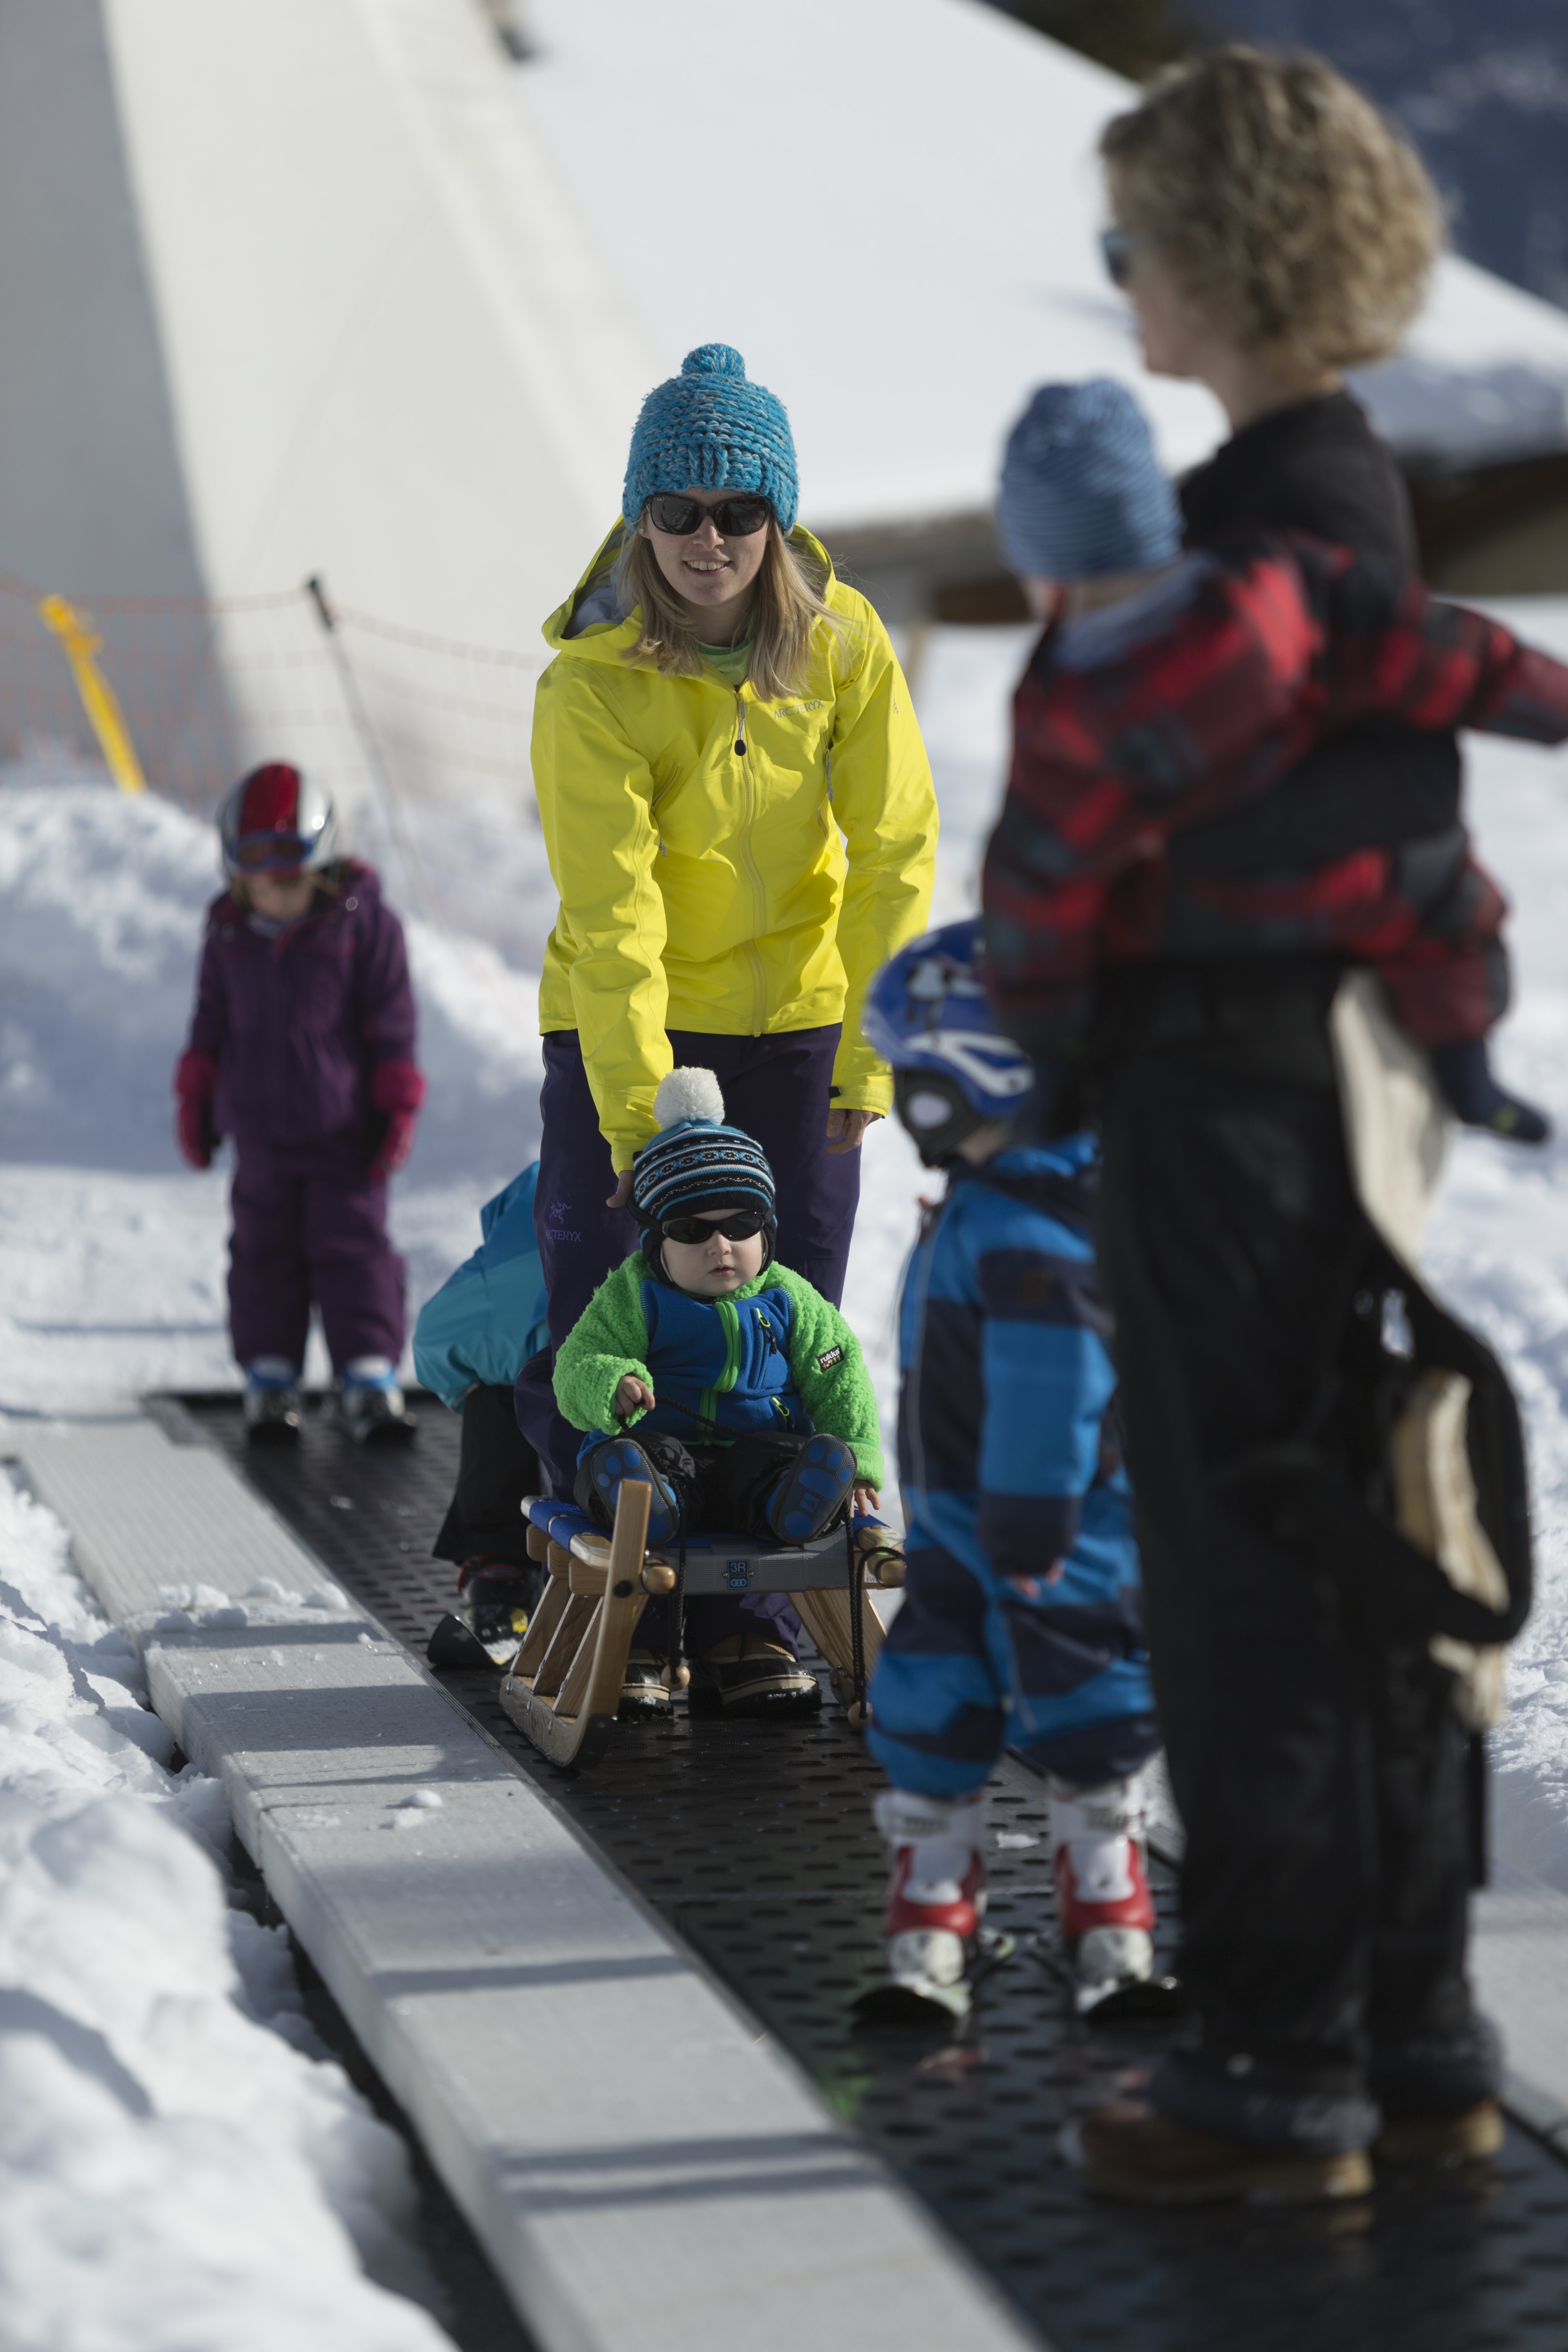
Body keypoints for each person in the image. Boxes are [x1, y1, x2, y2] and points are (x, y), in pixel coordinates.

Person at [985, 49, 1544, 2205]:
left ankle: (1270, 2062)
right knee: (1342, 1528)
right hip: (1318, 1069)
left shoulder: (1263, 531)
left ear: (1214, 252)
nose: (1112, 281)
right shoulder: (1328, 492)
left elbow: (1162, 814)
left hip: (1228, 1082)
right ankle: (1403, 2035)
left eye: (1129, 242)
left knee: (1242, 1558)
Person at [523, 343, 936, 1492]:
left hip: (798, 1030)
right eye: (679, 509)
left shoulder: (840, 640)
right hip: (634, 1035)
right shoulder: (593, 682)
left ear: (779, 518)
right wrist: (632, 1124)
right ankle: (615, 1603)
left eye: (740, 511)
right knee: (611, 1327)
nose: (710, 540)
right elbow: (614, 916)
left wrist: (868, 1058)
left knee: (786, 1333)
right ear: (640, 521)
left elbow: (893, 850)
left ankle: (764, 1618)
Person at [982, 378, 1568, 1130]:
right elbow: (1455, 658)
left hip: (1194, 920)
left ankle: (1060, 1100)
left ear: (1043, 571)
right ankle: (1468, 1073)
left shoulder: (1061, 719)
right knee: (1444, 892)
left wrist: (1048, 1043)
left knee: (1095, 919)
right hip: (1358, 890)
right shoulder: (1284, 587)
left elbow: (1033, 888)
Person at [856, 919, 1160, 2024]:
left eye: (908, 1069)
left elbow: (1050, 1389)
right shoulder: (998, 1204)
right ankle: (935, 1912)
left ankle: (1104, 1910)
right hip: (956, 1532)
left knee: (1086, 1709)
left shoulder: (1034, 1226)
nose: (900, 1093)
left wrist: (1030, 1530)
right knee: (931, 1707)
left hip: (1048, 1540)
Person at [551, 1068, 884, 1719]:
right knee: (636, 1464)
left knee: (780, 1460)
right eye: (693, 1230)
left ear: (768, 1230)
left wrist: (856, 1459)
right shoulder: (635, 1292)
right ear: (656, 1240)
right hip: (659, 1451)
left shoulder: (791, 1298)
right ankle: (643, 1506)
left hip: (748, 1459)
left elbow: (839, 1373)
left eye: (741, 1223)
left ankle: (795, 1497)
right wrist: (612, 1383)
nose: (720, 1244)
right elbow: (576, 1362)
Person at [174, 761, 424, 1445]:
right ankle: (271, 1374)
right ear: (236, 875)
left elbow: (391, 1022)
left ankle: (368, 1376)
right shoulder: (228, 935)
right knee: (262, 1255)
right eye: (260, 884)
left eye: (289, 882)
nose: (274, 899)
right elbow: (210, 1023)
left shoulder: (364, 927)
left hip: (344, 1132)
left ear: (320, 868)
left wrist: (396, 1103)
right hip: (260, 1134)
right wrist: (195, 1094)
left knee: (353, 1251)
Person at [413, 1163, 550, 1662]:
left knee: (495, 1391)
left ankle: (500, 1578)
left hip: (555, 1396)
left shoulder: (523, 1226)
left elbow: (433, 1339)